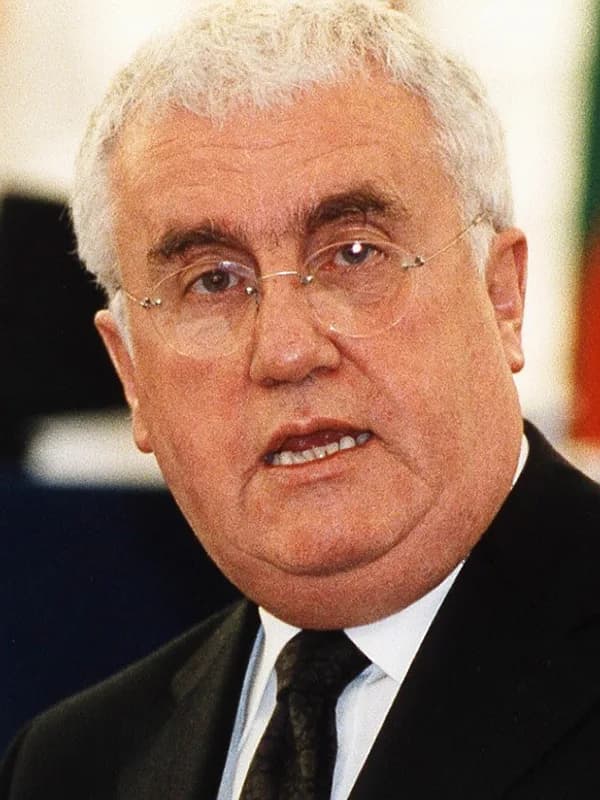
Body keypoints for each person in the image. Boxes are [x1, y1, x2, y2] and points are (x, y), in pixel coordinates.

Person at [2, 1, 599, 797]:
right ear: (131, 374)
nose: (286, 350)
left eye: (354, 254)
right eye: (212, 281)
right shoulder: (65, 768)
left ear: (503, 297)